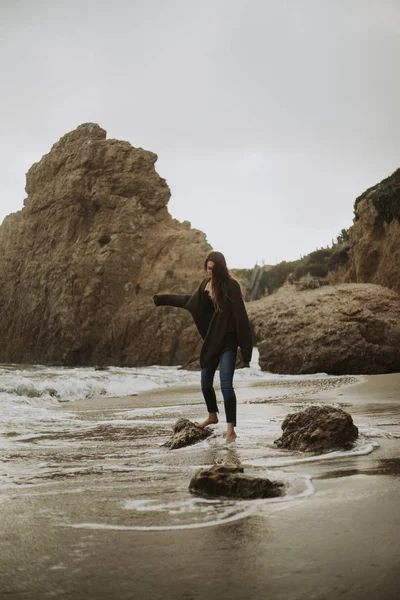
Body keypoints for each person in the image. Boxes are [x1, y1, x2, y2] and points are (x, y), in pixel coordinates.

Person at [153, 250, 252, 447]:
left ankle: (230, 429)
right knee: (205, 383)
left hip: (228, 343)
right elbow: (187, 302)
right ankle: (212, 416)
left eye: (214, 269)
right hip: (211, 342)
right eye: (208, 268)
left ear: (221, 268)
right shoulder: (204, 286)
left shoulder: (231, 286)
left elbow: (241, 317)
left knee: (226, 386)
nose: (210, 272)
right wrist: (162, 299)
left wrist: (246, 350)